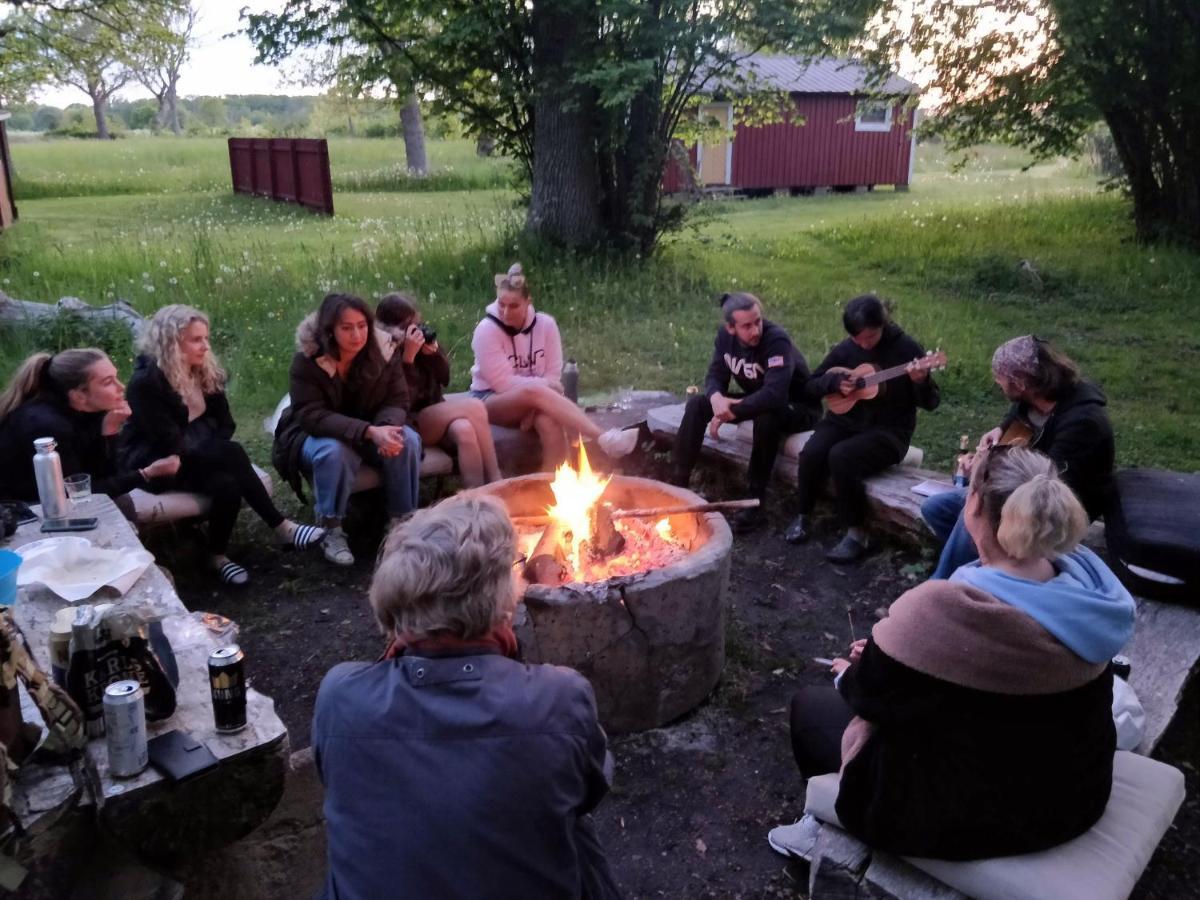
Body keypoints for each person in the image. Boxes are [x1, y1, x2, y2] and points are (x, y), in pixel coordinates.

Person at [770, 446, 1135, 861]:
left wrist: (847, 673)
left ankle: (822, 831)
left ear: (975, 504)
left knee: (810, 710)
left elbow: (869, 694)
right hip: (1074, 796)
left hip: (977, 820)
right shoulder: (1090, 589)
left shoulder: (951, 608)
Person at [312, 494, 621, 899]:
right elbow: (593, 786)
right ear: (498, 599)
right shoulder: (560, 698)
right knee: (575, 828)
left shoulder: (339, 696)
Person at [122, 306, 324, 585]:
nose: (205, 346)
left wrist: (206, 441)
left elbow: (226, 424)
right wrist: (206, 438)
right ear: (171, 343)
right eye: (195, 340)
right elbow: (169, 441)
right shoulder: (146, 384)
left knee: (227, 483)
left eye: (206, 338)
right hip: (158, 464)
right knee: (231, 453)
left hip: (199, 457)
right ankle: (282, 527)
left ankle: (216, 557)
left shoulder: (204, 371)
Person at [922, 334, 1115, 579]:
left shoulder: (1083, 422)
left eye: (1000, 377)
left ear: (1021, 383)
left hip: (1054, 502)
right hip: (1023, 485)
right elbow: (1017, 414)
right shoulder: (1035, 397)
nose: (996, 382)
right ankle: (991, 568)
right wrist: (1001, 430)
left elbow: (1049, 480)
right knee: (935, 508)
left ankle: (943, 585)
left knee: (975, 511)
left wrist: (985, 472)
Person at [785, 295, 940, 562]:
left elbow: (931, 402)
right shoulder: (848, 348)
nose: (864, 344)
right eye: (858, 339)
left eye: (870, 337)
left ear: (882, 324)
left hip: (890, 431)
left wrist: (921, 381)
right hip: (845, 420)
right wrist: (834, 384)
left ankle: (857, 533)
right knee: (812, 453)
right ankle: (803, 514)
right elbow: (811, 384)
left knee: (841, 456)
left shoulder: (906, 349)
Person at [273, 293, 422, 568]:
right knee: (335, 451)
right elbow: (311, 415)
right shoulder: (308, 361)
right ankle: (332, 528)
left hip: (370, 429)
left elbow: (397, 399)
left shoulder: (383, 351)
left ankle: (402, 523)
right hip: (315, 436)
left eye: (362, 325)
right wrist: (368, 431)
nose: (357, 334)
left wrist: (386, 429)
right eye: (347, 327)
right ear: (330, 330)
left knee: (406, 439)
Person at [669, 292, 819, 532]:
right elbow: (716, 374)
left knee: (767, 416)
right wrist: (717, 399)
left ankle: (755, 501)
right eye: (747, 326)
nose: (755, 330)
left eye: (758, 321)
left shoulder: (776, 340)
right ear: (731, 327)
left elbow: (775, 394)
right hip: (758, 399)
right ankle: (677, 485)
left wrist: (731, 411)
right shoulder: (725, 339)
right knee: (698, 404)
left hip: (797, 407)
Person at [470, 262, 636, 469]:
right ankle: (603, 437)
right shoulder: (486, 331)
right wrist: (541, 390)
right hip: (490, 399)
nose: (505, 312)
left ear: (528, 301)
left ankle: (550, 488)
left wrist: (537, 400)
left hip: (538, 398)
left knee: (549, 422)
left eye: (513, 306)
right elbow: (503, 384)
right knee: (535, 392)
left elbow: (553, 375)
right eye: (501, 304)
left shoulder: (546, 325)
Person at [0, 349, 180, 510]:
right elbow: (80, 492)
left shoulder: (87, 411)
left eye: (116, 377)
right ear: (78, 395)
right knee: (120, 505)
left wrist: (109, 431)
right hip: (21, 507)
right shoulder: (46, 427)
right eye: (108, 382)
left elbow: (102, 474)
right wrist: (146, 474)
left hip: (54, 498)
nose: (121, 387)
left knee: (122, 502)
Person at [374, 293, 502, 488]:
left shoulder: (420, 341)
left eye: (418, 323)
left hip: (434, 414)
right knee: (475, 407)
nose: (417, 330)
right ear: (395, 327)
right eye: (410, 325)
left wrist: (434, 355)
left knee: (464, 430)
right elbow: (399, 401)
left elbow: (445, 378)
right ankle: (497, 479)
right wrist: (408, 359)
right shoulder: (383, 351)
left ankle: (476, 496)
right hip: (407, 422)